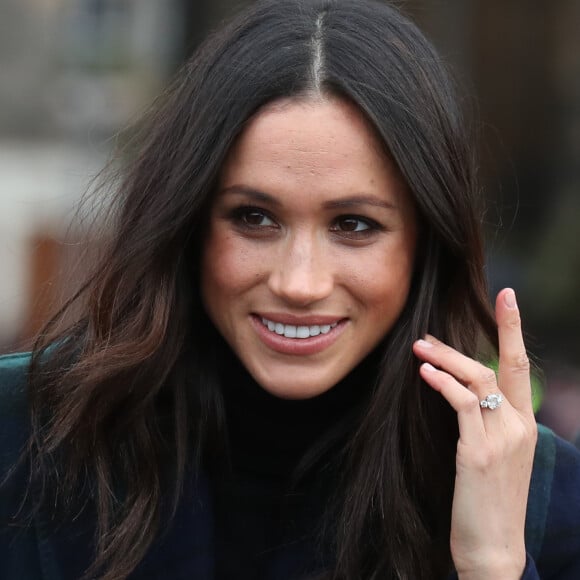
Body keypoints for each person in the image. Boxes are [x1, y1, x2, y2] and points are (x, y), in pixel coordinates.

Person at [1, 0, 579, 578]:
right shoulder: (19, 434)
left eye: (354, 225)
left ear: (426, 246)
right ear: (188, 224)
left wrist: (493, 563)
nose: (299, 283)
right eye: (254, 217)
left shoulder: (544, 503)